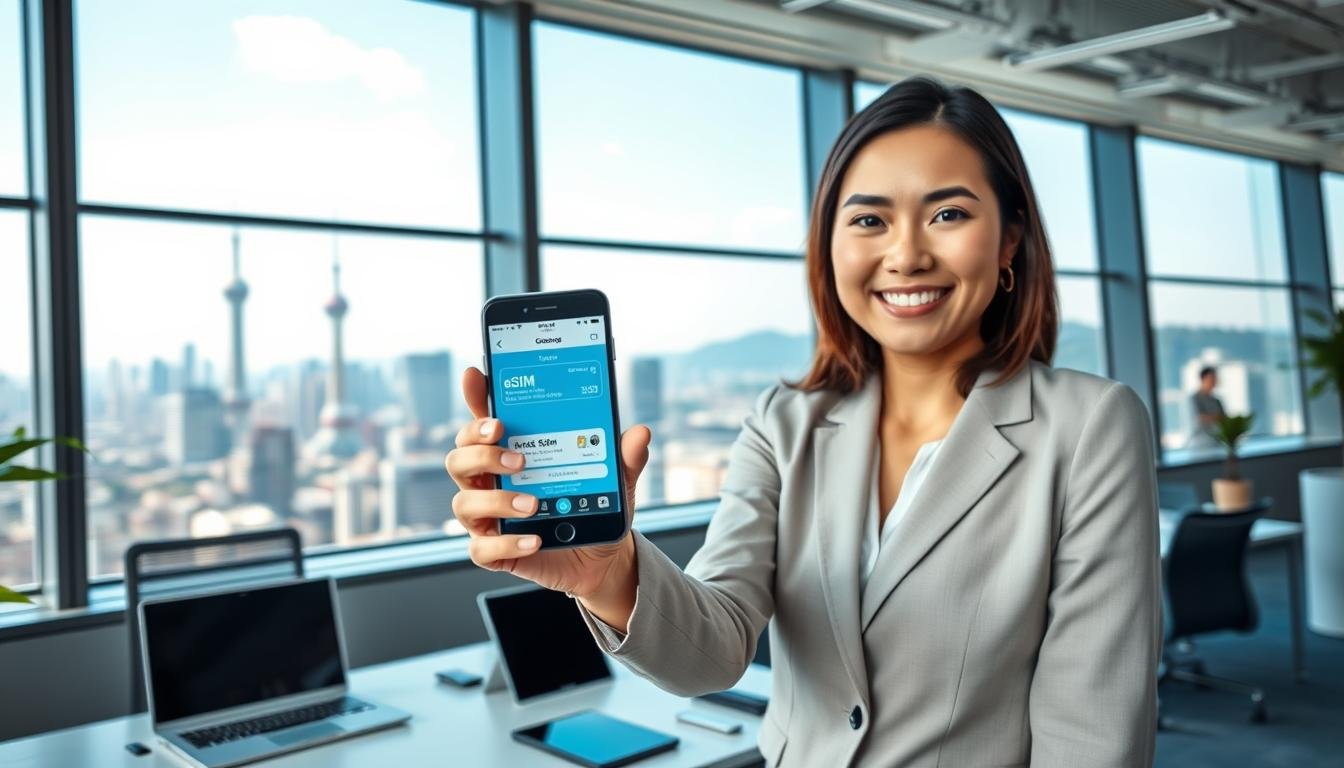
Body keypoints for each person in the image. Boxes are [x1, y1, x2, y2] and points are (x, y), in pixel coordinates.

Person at [445, 76, 1160, 767]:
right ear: (830, 245)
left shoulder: (1089, 427)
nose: (905, 254)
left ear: (1008, 242)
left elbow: (1091, 731)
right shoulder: (784, 422)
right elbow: (714, 651)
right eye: (869, 220)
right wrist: (607, 573)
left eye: (948, 214)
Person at [1189, 365, 1226, 449]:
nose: (1214, 381)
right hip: (1201, 444)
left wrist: (1213, 417)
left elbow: (1224, 419)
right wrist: (1217, 417)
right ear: (1203, 379)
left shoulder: (1217, 401)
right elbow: (1200, 418)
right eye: (1211, 378)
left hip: (1217, 442)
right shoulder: (1194, 398)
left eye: (1215, 378)